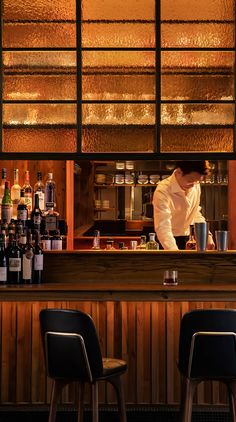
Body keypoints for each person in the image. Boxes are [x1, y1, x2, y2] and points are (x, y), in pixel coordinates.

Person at [152, 161, 215, 250]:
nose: (193, 185)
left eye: (197, 181)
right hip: (167, 241)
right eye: (190, 181)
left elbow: (195, 212)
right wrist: (175, 252)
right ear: (178, 172)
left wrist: (206, 234)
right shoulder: (163, 191)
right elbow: (163, 227)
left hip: (188, 239)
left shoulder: (195, 185)